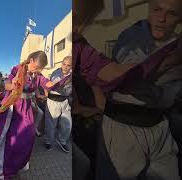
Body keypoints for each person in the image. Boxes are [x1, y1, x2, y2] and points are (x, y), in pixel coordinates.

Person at [73, 0, 182, 179]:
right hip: (125, 126)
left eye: (172, 14)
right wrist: (173, 58)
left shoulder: (82, 48)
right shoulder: (132, 38)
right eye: (156, 10)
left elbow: (109, 73)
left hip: (160, 126)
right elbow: (128, 80)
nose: (79, 29)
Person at [0, 51, 71, 179]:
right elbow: (6, 84)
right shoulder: (17, 69)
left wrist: (62, 80)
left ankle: (16, 164)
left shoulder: (37, 75)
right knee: (7, 138)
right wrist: (12, 84)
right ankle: (1, 167)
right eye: (36, 67)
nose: (37, 70)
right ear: (31, 61)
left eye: (39, 69)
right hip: (13, 107)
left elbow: (48, 84)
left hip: (26, 108)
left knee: (28, 137)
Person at [44, 56, 72, 152]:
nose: (65, 67)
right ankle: (48, 141)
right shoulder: (56, 73)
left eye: (68, 65)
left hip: (64, 101)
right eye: (64, 64)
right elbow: (56, 86)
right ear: (61, 63)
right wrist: (66, 81)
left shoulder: (72, 74)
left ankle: (62, 141)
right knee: (51, 124)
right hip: (53, 101)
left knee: (67, 123)